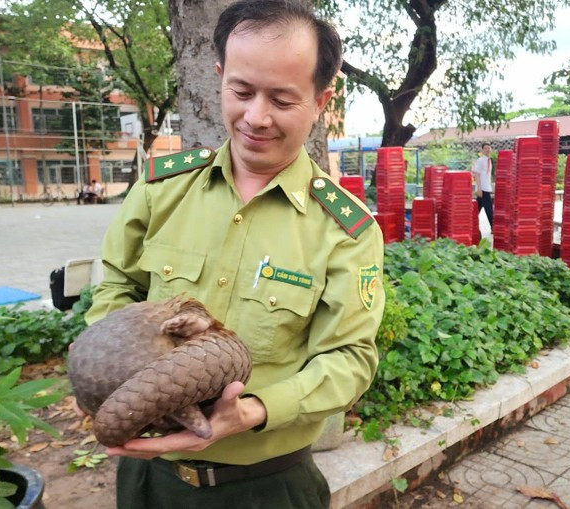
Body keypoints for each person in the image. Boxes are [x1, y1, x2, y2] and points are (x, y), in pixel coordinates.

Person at [83, 1, 385, 508]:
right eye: (241, 91)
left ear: (320, 100)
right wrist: (120, 368)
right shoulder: (163, 189)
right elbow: (116, 284)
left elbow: (350, 359)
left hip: (267, 487)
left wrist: (253, 410)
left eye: (283, 100)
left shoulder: (343, 228)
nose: (256, 117)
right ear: (220, 76)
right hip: (150, 483)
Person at [473, 143, 493, 229]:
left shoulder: (489, 160)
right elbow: (476, 174)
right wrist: (479, 189)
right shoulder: (480, 160)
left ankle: (470, 222)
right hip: (483, 189)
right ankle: (493, 227)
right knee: (489, 209)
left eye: (489, 148)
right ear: (482, 150)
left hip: (486, 188)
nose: (488, 150)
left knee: (477, 209)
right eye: (485, 148)